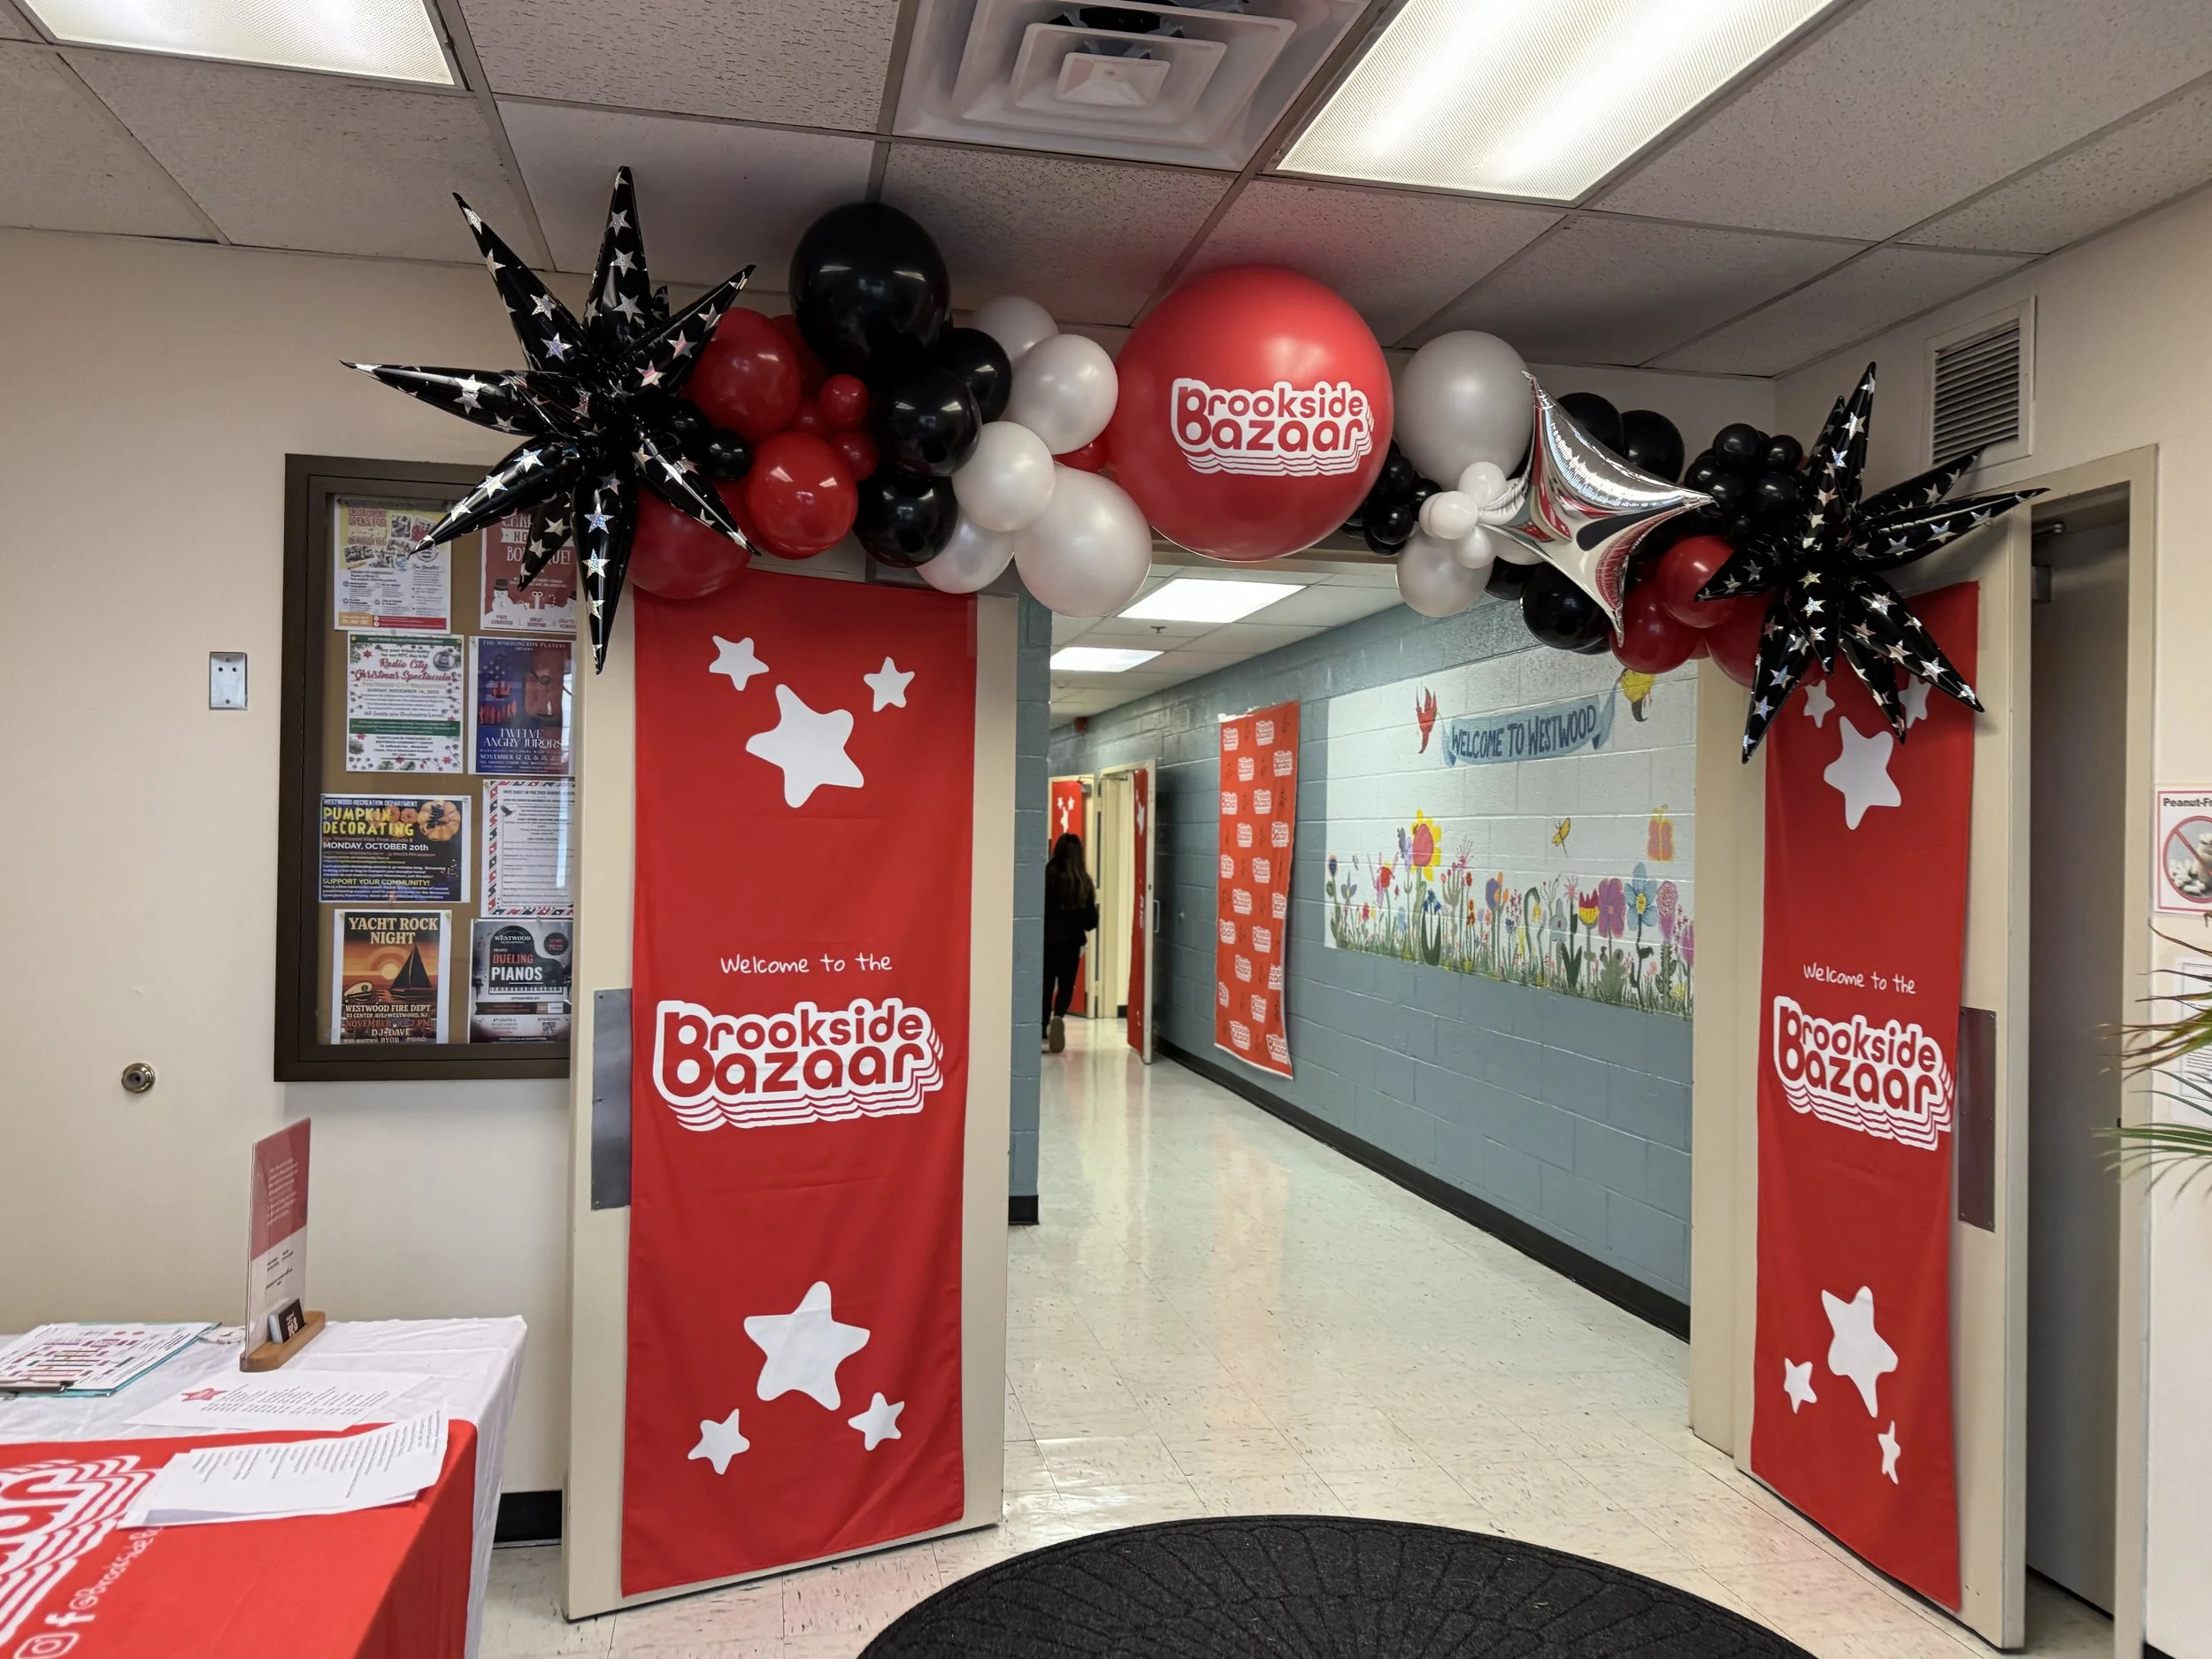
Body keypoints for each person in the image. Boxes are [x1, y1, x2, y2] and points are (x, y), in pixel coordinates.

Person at [1042, 833, 1097, 1054]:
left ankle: (1041, 1027)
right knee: (1066, 986)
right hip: (1071, 944)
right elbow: (1090, 922)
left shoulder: (1046, 877)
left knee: (1045, 986)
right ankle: (1059, 1016)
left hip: (1046, 941)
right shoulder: (1083, 882)